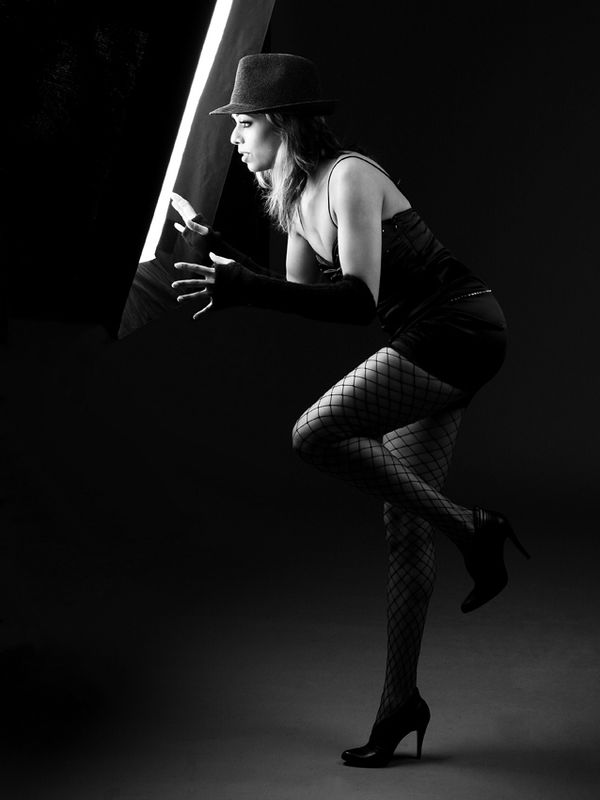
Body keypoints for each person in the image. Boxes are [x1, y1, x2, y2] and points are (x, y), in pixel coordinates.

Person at [169, 52, 530, 768]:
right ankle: (400, 703)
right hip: (424, 340)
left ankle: (474, 528)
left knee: (315, 432)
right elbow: (304, 297)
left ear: (280, 124)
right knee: (403, 528)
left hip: (460, 326)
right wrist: (221, 256)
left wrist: (243, 288)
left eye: (243, 124)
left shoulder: (349, 175)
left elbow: (357, 300)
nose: (234, 138)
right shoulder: (293, 199)